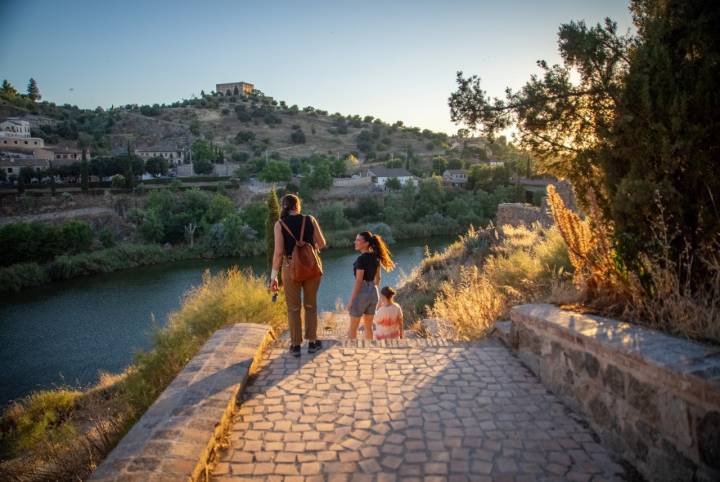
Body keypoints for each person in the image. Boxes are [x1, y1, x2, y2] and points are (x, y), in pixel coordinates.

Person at [269, 194, 327, 357]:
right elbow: (322, 243)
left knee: (293, 308)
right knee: (310, 306)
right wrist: (308, 250)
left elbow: (279, 253)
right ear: (297, 205)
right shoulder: (310, 219)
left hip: (289, 268)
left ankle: (295, 345)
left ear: (284, 207)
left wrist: (273, 277)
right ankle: (313, 342)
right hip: (311, 268)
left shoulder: (279, 224)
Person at [346, 231, 395, 340]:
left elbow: (359, 281)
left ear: (366, 243)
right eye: (356, 239)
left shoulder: (361, 259)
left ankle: (353, 352)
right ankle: (369, 350)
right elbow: (378, 278)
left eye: (358, 240)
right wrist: (372, 289)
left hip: (362, 293)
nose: (355, 242)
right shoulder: (376, 258)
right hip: (374, 292)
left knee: (353, 329)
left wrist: (351, 301)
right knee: (368, 327)